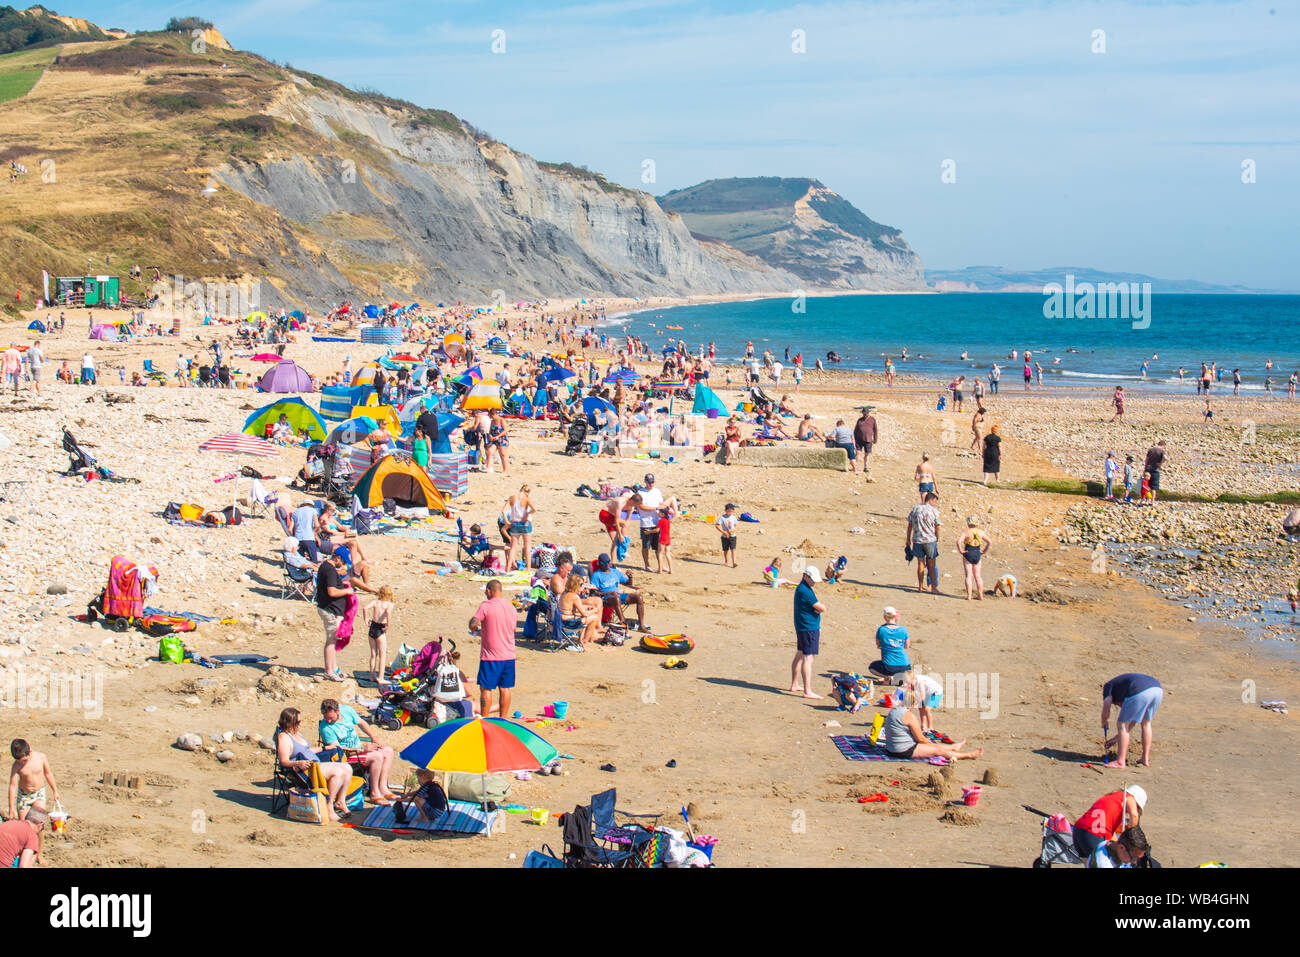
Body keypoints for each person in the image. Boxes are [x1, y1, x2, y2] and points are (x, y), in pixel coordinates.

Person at [274, 708, 351, 821]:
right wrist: (298, 763)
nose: (300, 724)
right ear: (290, 722)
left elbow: (307, 750)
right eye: (298, 722)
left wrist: (324, 748)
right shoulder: (284, 737)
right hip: (304, 770)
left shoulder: (296, 733)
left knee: (347, 768)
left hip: (314, 764)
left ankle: (340, 801)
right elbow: (283, 761)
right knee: (338, 772)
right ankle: (329, 806)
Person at [318, 699, 398, 805]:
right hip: (345, 757)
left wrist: (374, 737)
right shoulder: (326, 728)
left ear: (338, 711)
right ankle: (374, 793)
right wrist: (362, 750)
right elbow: (337, 750)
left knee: (388, 751)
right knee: (376, 756)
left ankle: (383, 788)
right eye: (326, 718)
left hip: (359, 751)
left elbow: (361, 723)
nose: (328, 721)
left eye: (331, 718)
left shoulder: (346, 710)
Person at [881, 689, 984, 760]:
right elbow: (920, 739)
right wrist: (931, 745)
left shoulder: (893, 710)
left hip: (891, 747)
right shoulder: (909, 716)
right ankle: (969, 755)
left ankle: (953, 747)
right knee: (938, 750)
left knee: (933, 746)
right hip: (903, 750)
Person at [469, 579, 519, 718]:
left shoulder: (486, 605)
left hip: (491, 656)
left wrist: (475, 628)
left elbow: (474, 623)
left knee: (486, 688)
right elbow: (513, 628)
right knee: (505, 689)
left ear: (489, 591)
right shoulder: (511, 607)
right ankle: (503, 718)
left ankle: (485, 719)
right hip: (509, 655)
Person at [1101, 673, 1163, 768]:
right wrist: (1116, 738)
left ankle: (1120, 761)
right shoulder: (1122, 687)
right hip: (1157, 689)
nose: (1119, 706)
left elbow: (1106, 707)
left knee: (1121, 725)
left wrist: (1104, 721)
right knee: (1146, 723)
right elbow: (1132, 721)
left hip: (1139, 690)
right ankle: (1145, 759)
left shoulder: (1108, 686)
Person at [1072, 786, 1147, 860]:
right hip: (1094, 832)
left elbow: (1112, 835)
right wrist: (1131, 839)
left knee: (1090, 864)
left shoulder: (1112, 798)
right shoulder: (1128, 797)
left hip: (1078, 830)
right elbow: (1134, 816)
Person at [315, 552, 354, 681]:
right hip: (330, 610)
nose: (343, 565)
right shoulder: (330, 570)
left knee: (334, 640)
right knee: (331, 641)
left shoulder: (326, 567)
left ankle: (334, 668)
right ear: (337, 558)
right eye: (342, 562)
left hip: (330, 608)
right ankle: (329, 671)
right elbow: (332, 592)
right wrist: (347, 591)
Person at [789, 566, 825, 699]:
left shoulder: (802, 588)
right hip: (808, 628)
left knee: (800, 654)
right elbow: (820, 607)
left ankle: (794, 684)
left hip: (802, 626)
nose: (814, 582)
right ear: (805, 576)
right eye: (812, 579)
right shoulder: (805, 591)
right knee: (808, 658)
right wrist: (820, 608)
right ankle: (807, 690)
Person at [591, 552, 650, 631]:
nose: (606, 565)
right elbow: (594, 593)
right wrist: (609, 593)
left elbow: (628, 584)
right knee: (616, 598)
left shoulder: (614, 572)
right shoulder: (596, 575)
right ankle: (624, 624)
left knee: (638, 597)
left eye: (608, 562)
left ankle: (641, 626)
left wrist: (630, 578)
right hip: (605, 598)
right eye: (604, 563)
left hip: (618, 595)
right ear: (599, 563)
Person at [8, 739, 59, 821]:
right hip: (23, 795)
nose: (22, 763)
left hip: (39, 793)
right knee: (24, 823)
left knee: (39, 821)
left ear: (30, 751)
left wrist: (55, 791)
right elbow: (12, 786)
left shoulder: (41, 757)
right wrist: (11, 807)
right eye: (19, 761)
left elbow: (48, 774)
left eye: (24, 760)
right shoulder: (16, 766)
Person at [906, 491, 942, 595]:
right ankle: (933, 587)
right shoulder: (933, 511)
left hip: (917, 539)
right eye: (935, 501)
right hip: (930, 540)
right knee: (931, 564)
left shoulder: (915, 509)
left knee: (920, 564)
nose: (935, 504)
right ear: (930, 500)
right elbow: (937, 526)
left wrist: (908, 539)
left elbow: (910, 525)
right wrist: (937, 538)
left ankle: (920, 586)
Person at [558, 573, 603, 647]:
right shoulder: (575, 596)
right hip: (568, 624)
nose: (583, 587)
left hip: (562, 620)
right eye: (582, 584)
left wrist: (588, 608)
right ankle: (584, 642)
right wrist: (595, 610)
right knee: (594, 618)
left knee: (583, 617)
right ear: (575, 585)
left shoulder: (564, 593)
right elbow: (584, 614)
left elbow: (571, 609)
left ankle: (582, 639)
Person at [362, 585, 394, 683]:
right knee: (382, 654)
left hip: (372, 627)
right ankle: (380, 678)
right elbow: (388, 613)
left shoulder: (375, 602)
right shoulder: (389, 604)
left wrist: (365, 619)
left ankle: (372, 676)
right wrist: (388, 625)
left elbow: (364, 608)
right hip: (380, 629)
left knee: (373, 654)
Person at [869, 607, 910, 680]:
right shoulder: (903, 629)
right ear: (895, 616)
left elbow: (878, 645)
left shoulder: (881, 630)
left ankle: (888, 677)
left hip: (889, 666)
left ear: (884, 617)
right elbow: (907, 646)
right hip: (905, 665)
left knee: (872, 667)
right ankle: (897, 678)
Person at [636, 473, 664, 572]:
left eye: (652, 482)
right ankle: (647, 564)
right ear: (645, 482)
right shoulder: (641, 493)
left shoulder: (657, 491)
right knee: (645, 545)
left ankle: (660, 565)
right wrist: (655, 508)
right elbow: (641, 506)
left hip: (656, 521)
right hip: (646, 522)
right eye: (649, 482)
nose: (651, 484)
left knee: (658, 546)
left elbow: (661, 503)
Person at [502, 485, 535, 570]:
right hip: (525, 523)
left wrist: (506, 521)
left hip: (515, 523)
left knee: (513, 547)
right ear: (527, 492)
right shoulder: (527, 499)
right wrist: (527, 514)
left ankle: (508, 567)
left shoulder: (512, 498)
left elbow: (503, 510)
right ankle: (528, 568)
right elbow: (534, 509)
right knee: (527, 546)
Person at [958, 515, 990, 600]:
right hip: (977, 553)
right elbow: (989, 542)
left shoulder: (966, 532)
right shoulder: (980, 532)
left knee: (969, 576)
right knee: (978, 576)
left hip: (968, 553)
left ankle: (969, 595)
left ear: (968, 523)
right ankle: (980, 595)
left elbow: (958, 542)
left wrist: (961, 550)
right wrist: (984, 551)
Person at [854, 407, 878, 480]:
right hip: (859, 439)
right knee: (858, 452)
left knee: (867, 454)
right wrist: (853, 439)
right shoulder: (859, 420)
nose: (864, 414)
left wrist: (875, 439)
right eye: (863, 413)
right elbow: (855, 430)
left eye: (865, 413)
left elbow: (875, 430)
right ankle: (856, 466)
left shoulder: (872, 419)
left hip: (868, 439)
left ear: (868, 413)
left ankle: (865, 467)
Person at [1143, 439, 1167, 505]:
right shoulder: (1162, 451)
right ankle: (1153, 501)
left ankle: (1148, 500)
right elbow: (1165, 458)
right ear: (1163, 445)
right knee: (1154, 487)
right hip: (1155, 470)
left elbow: (1146, 460)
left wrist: (1145, 469)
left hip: (1148, 469)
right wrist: (1160, 463)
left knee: (1147, 486)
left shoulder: (1151, 450)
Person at [715, 502, 739, 567]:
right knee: (725, 550)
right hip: (724, 537)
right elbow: (717, 526)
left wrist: (733, 530)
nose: (729, 513)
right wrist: (723, 532)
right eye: (728, 511)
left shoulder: (733, 517)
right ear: (725, 510)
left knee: (733, 549)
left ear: (733, 511)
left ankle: (734, 562)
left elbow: (737, 526)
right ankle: (726, 561)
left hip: (733, 536)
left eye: (731, 511)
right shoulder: (722, 518)